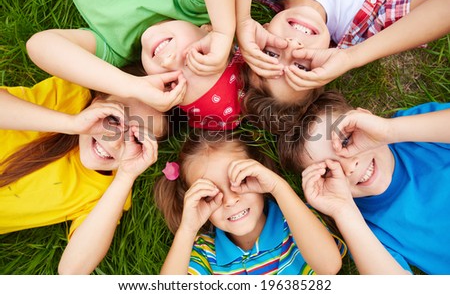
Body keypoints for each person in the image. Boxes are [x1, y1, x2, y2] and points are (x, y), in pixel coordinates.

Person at [26, 0, 244, 130]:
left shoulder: (116, 48)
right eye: (195, 58)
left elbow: (40, 45)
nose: (169, 61)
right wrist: (224, 30)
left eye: (171, 83)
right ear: (207, 31)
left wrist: (132, 86)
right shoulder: (190, 3)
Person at [236, 0, 450, 132]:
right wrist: (351, 57)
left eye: (271, 54)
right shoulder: (361, 27)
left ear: (261, 33)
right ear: (324, 65)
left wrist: (242, 18)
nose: (292, 46)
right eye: (301, 66)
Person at [0, 75, 163, 274]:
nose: (115, 142)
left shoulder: (107, 192)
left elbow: (72, 270)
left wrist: (126, 177)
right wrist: (72, 123)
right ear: (97, 103)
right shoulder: (69, 99)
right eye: (113, 119)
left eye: (137, 139)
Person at [277, 90, 450, 274]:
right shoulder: (363, 228)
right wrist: (344, 211)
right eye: (328, 171)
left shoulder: (413, 132)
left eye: (346, 141)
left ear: (365, 119)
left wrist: (389, 130)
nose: (350, 167)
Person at [153, 131, 345, 275]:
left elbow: (329, 267)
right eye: (210, 195)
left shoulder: (298, 221)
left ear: (260, 175)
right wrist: (187, 228)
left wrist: (279, 187)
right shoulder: (206, 254)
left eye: (240, 181)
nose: (230, 200)